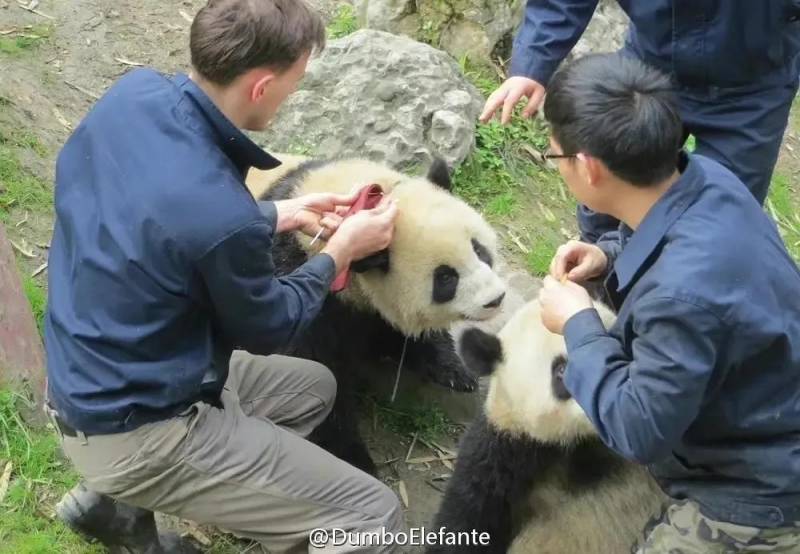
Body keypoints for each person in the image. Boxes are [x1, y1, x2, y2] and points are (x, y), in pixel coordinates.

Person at [43, 0, 405, 552]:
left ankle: (118, 510)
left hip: (89, 370)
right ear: (261, 87)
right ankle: (141, 479)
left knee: (313, 390)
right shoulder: (218, 214)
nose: (293, 94)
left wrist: (279, 213)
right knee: (374, 514)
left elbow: (161, 220)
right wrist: (339, 255)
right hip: (137, 425)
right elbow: (269, 327)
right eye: (295, 81)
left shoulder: (132, 97)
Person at [536, 52, 800, 552]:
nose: (555, 166)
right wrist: (606, 253)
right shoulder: (709, 178)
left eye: (554, 156)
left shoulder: (682, 297)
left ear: (588, 168)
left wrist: (579, 326)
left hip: (758, 491)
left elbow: (639, 431)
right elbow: (671, 241)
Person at [481, 0, 800, 243]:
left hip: (754, 83)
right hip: (650, 60)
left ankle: (675, 318)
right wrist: (532, 62)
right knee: (605, 193)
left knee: (718, 226)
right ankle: (597, 298)